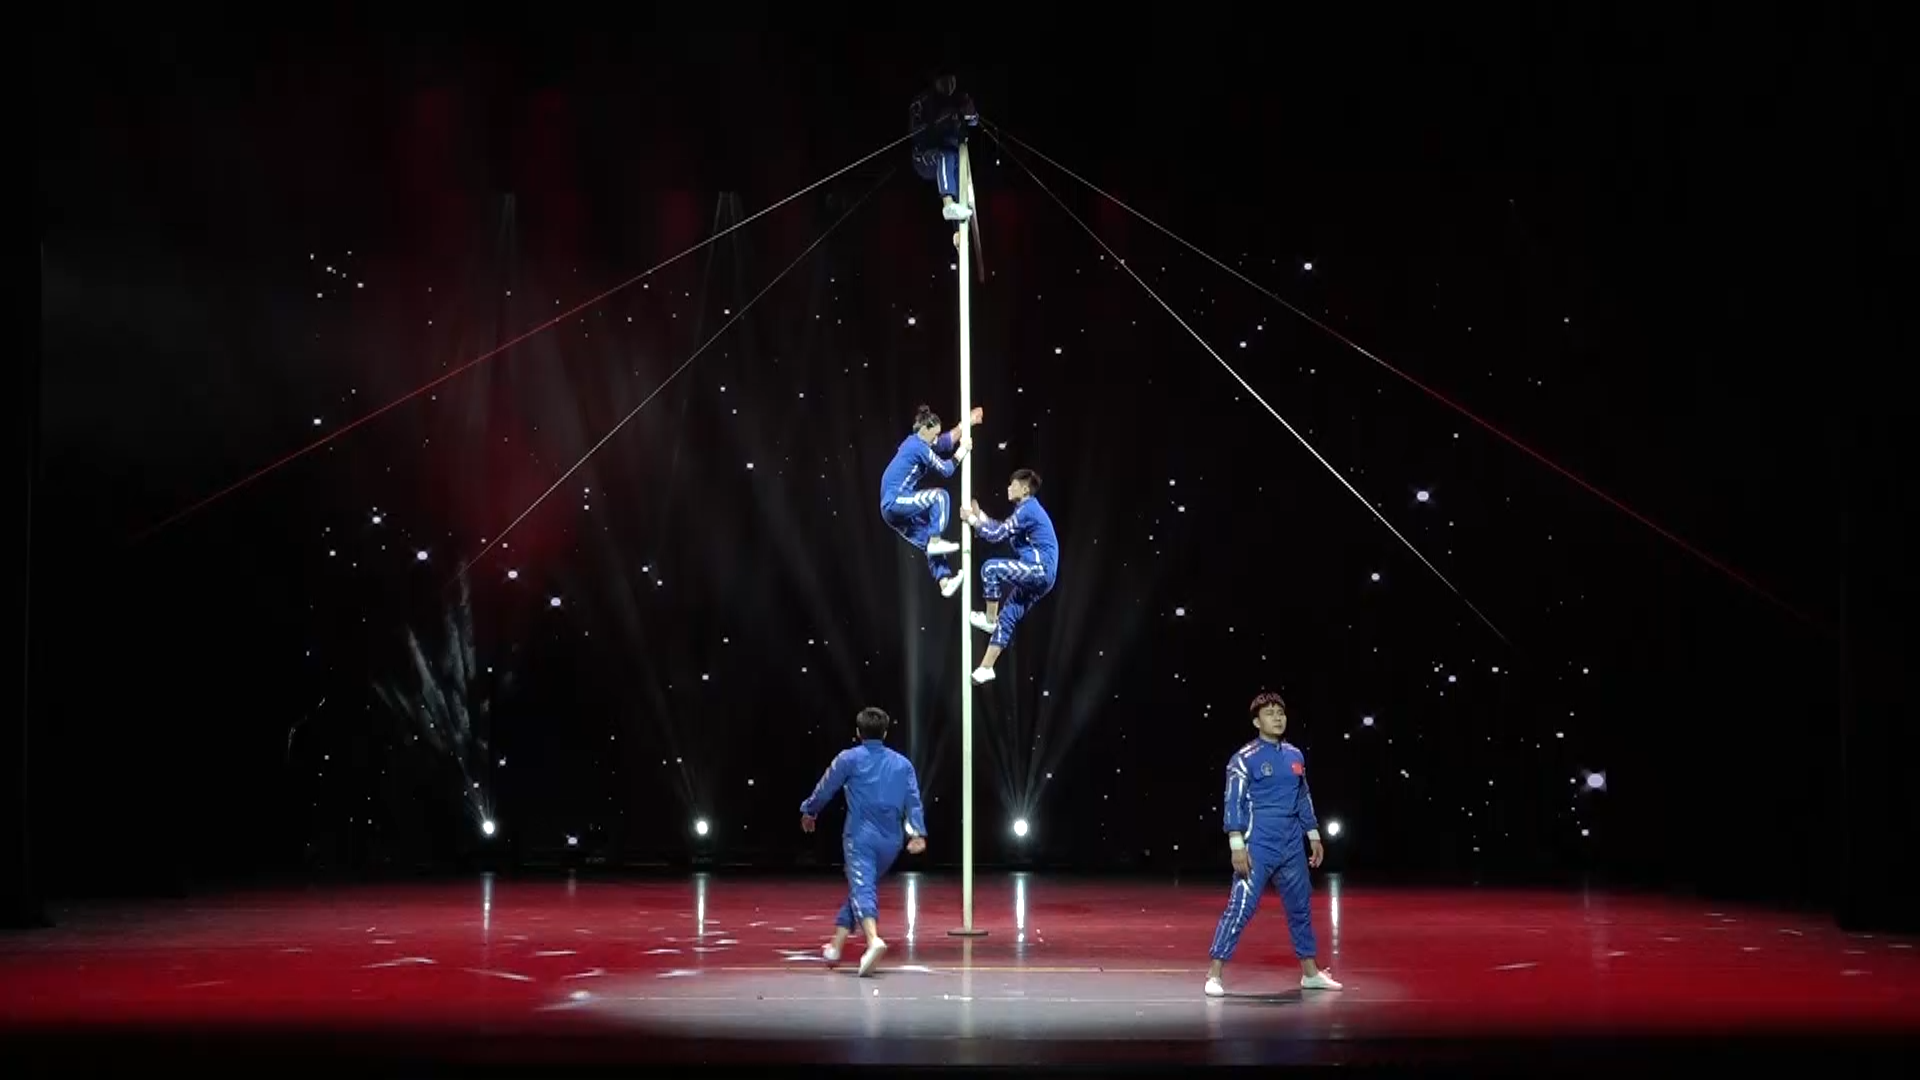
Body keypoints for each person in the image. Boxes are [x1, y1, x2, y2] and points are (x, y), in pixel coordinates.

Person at [1204, 691, 1344, 996]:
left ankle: (1310, 973)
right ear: (1257, 722)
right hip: (1258, 845)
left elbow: (1303, 797)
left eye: (1280, 713)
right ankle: (1214, 973)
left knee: (1300, 908)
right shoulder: (1243, 759)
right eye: (1269, 713)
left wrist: (1313, 835)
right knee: (1241, 907)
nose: (1277, 718)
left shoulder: (1295, 756)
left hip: (1291, 845)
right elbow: (1233, 802)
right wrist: (1236, 845)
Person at [800, 706, 929, 976]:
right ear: (885, 732)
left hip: (860, 837)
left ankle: (873, 940)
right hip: (891, 842)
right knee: (862, 887)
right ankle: (835, 946)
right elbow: (913, 800)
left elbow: (826, 787)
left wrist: (810, 811)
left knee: (862, 889)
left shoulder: (849, 759)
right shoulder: (903, 764)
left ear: (858, 732)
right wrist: (917, 833)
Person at [959, 468, 1057, 684]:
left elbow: (996, 535)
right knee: (1008, 616)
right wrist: (980, 516)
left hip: (1039, 569)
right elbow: (1002, 528)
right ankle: (986, 668)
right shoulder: (1025, 513)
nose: (1008, 488)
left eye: (1013, 485)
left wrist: (972, 520)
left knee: (990, 569)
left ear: (1025, 489)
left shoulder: (1028, 510)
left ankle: (989, 620)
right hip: (1042, 576)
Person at [881, 404, 980, 599]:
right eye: (934, 434)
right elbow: (946, 470)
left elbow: (944, 442)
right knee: (939, 497)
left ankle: (944, 581)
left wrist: (967, 423)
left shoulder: (917, 441)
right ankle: (935, 541)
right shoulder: (918, 447)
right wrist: (962, 451)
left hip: (891, 512)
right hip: (895, 501)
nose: (936, 439)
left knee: (928, 542)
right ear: (925, 430)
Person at [908, 73, 979, 249]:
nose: (948, 86)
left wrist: (970, 113)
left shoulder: (959, 97)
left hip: (952, 155)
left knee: (959, 174)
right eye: (943, 82)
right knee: (945, 156)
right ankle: (948, 204)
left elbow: (974, 120)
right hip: (924, 156)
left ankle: (958, 233)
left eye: (951, 81)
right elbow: (916, 133)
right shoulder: (923, 100)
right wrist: (938, 123)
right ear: (935, 81)